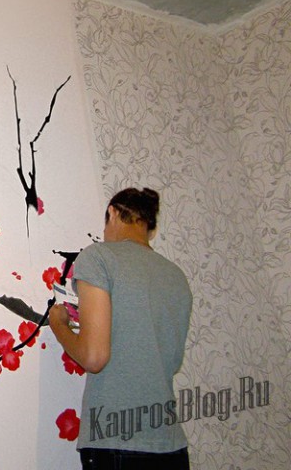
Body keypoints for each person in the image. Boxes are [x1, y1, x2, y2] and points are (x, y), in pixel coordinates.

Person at [50, 187, 192, 470]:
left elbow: (94, 358)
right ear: (149, 226)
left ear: (113, 213)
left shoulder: (99, 257)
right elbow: (168, 359)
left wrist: (59, 325)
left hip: (116, 440)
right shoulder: (176, 276)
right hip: (170, 444)